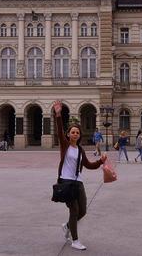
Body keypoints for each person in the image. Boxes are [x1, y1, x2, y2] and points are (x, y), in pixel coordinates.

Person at [52, 100, 104, 251]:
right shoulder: (65, 145)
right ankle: (75, 240)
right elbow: (59, 130)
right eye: (72, 132)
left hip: (78, 182)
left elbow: (88, 165)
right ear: (69, 134)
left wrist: (101, 161)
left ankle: (68, 225)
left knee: (83, 211)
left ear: (79, 135)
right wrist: (58, 114)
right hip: (66, 182)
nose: (75, 134)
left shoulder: (80, 150)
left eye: (77, 132)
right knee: (74, 210)